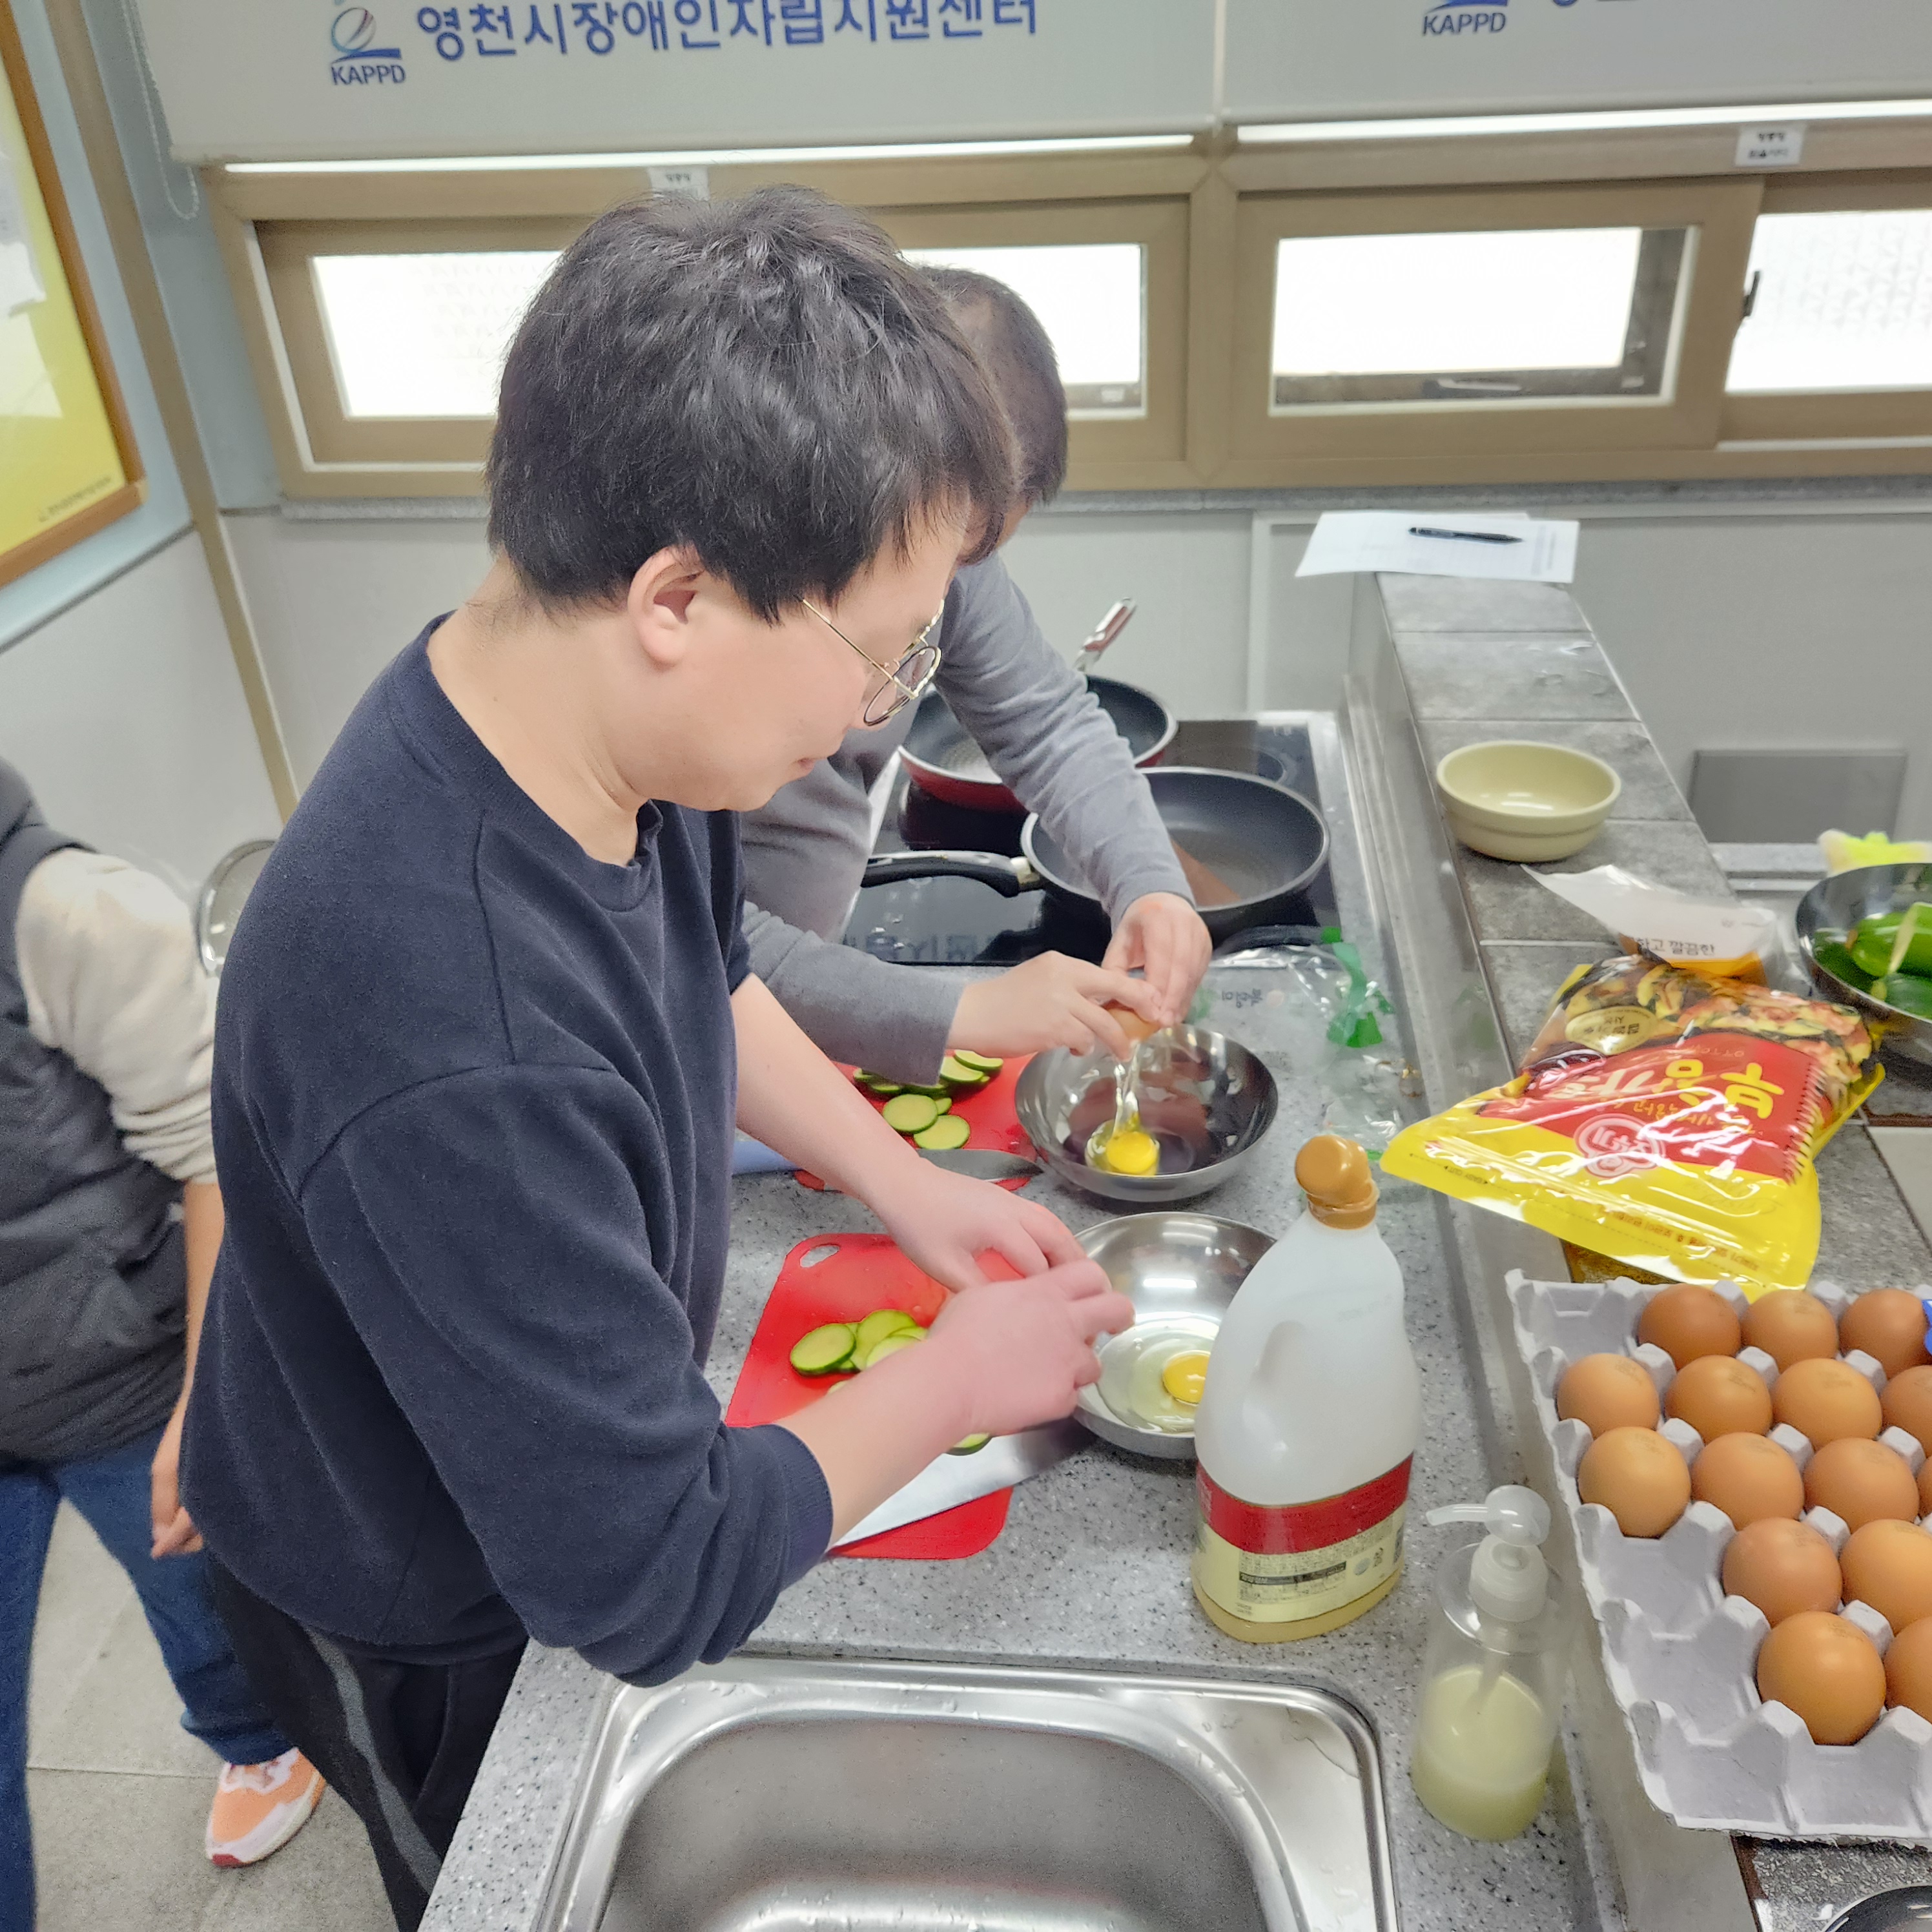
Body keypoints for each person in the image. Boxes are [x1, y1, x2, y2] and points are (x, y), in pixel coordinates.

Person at [181, 187, 1135, 1932]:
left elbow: (705, 975)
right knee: (484, 1863)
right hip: (404, 1578)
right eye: (875, 659)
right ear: (677, 595)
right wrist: (949, 1382)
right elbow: (648, 1574)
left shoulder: (596, 735)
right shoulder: (453, 1021)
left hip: (506, 1423)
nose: (873, 715)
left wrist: (903, 1181)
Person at [740, 263, 1213, 1084]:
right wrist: (956, 1012)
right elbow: (697, 940)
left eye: (974, 554)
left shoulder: (942, 558)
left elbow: (1049, 721)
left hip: (783, 994)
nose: (945, 594)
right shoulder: (733, 626)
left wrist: (1150, 885)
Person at [0, 761, 323, 1927]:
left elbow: (215, 1153)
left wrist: (204, 1398)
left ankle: (259, 1738)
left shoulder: (70, 914)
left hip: (118, 1366)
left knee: (196, 1589)